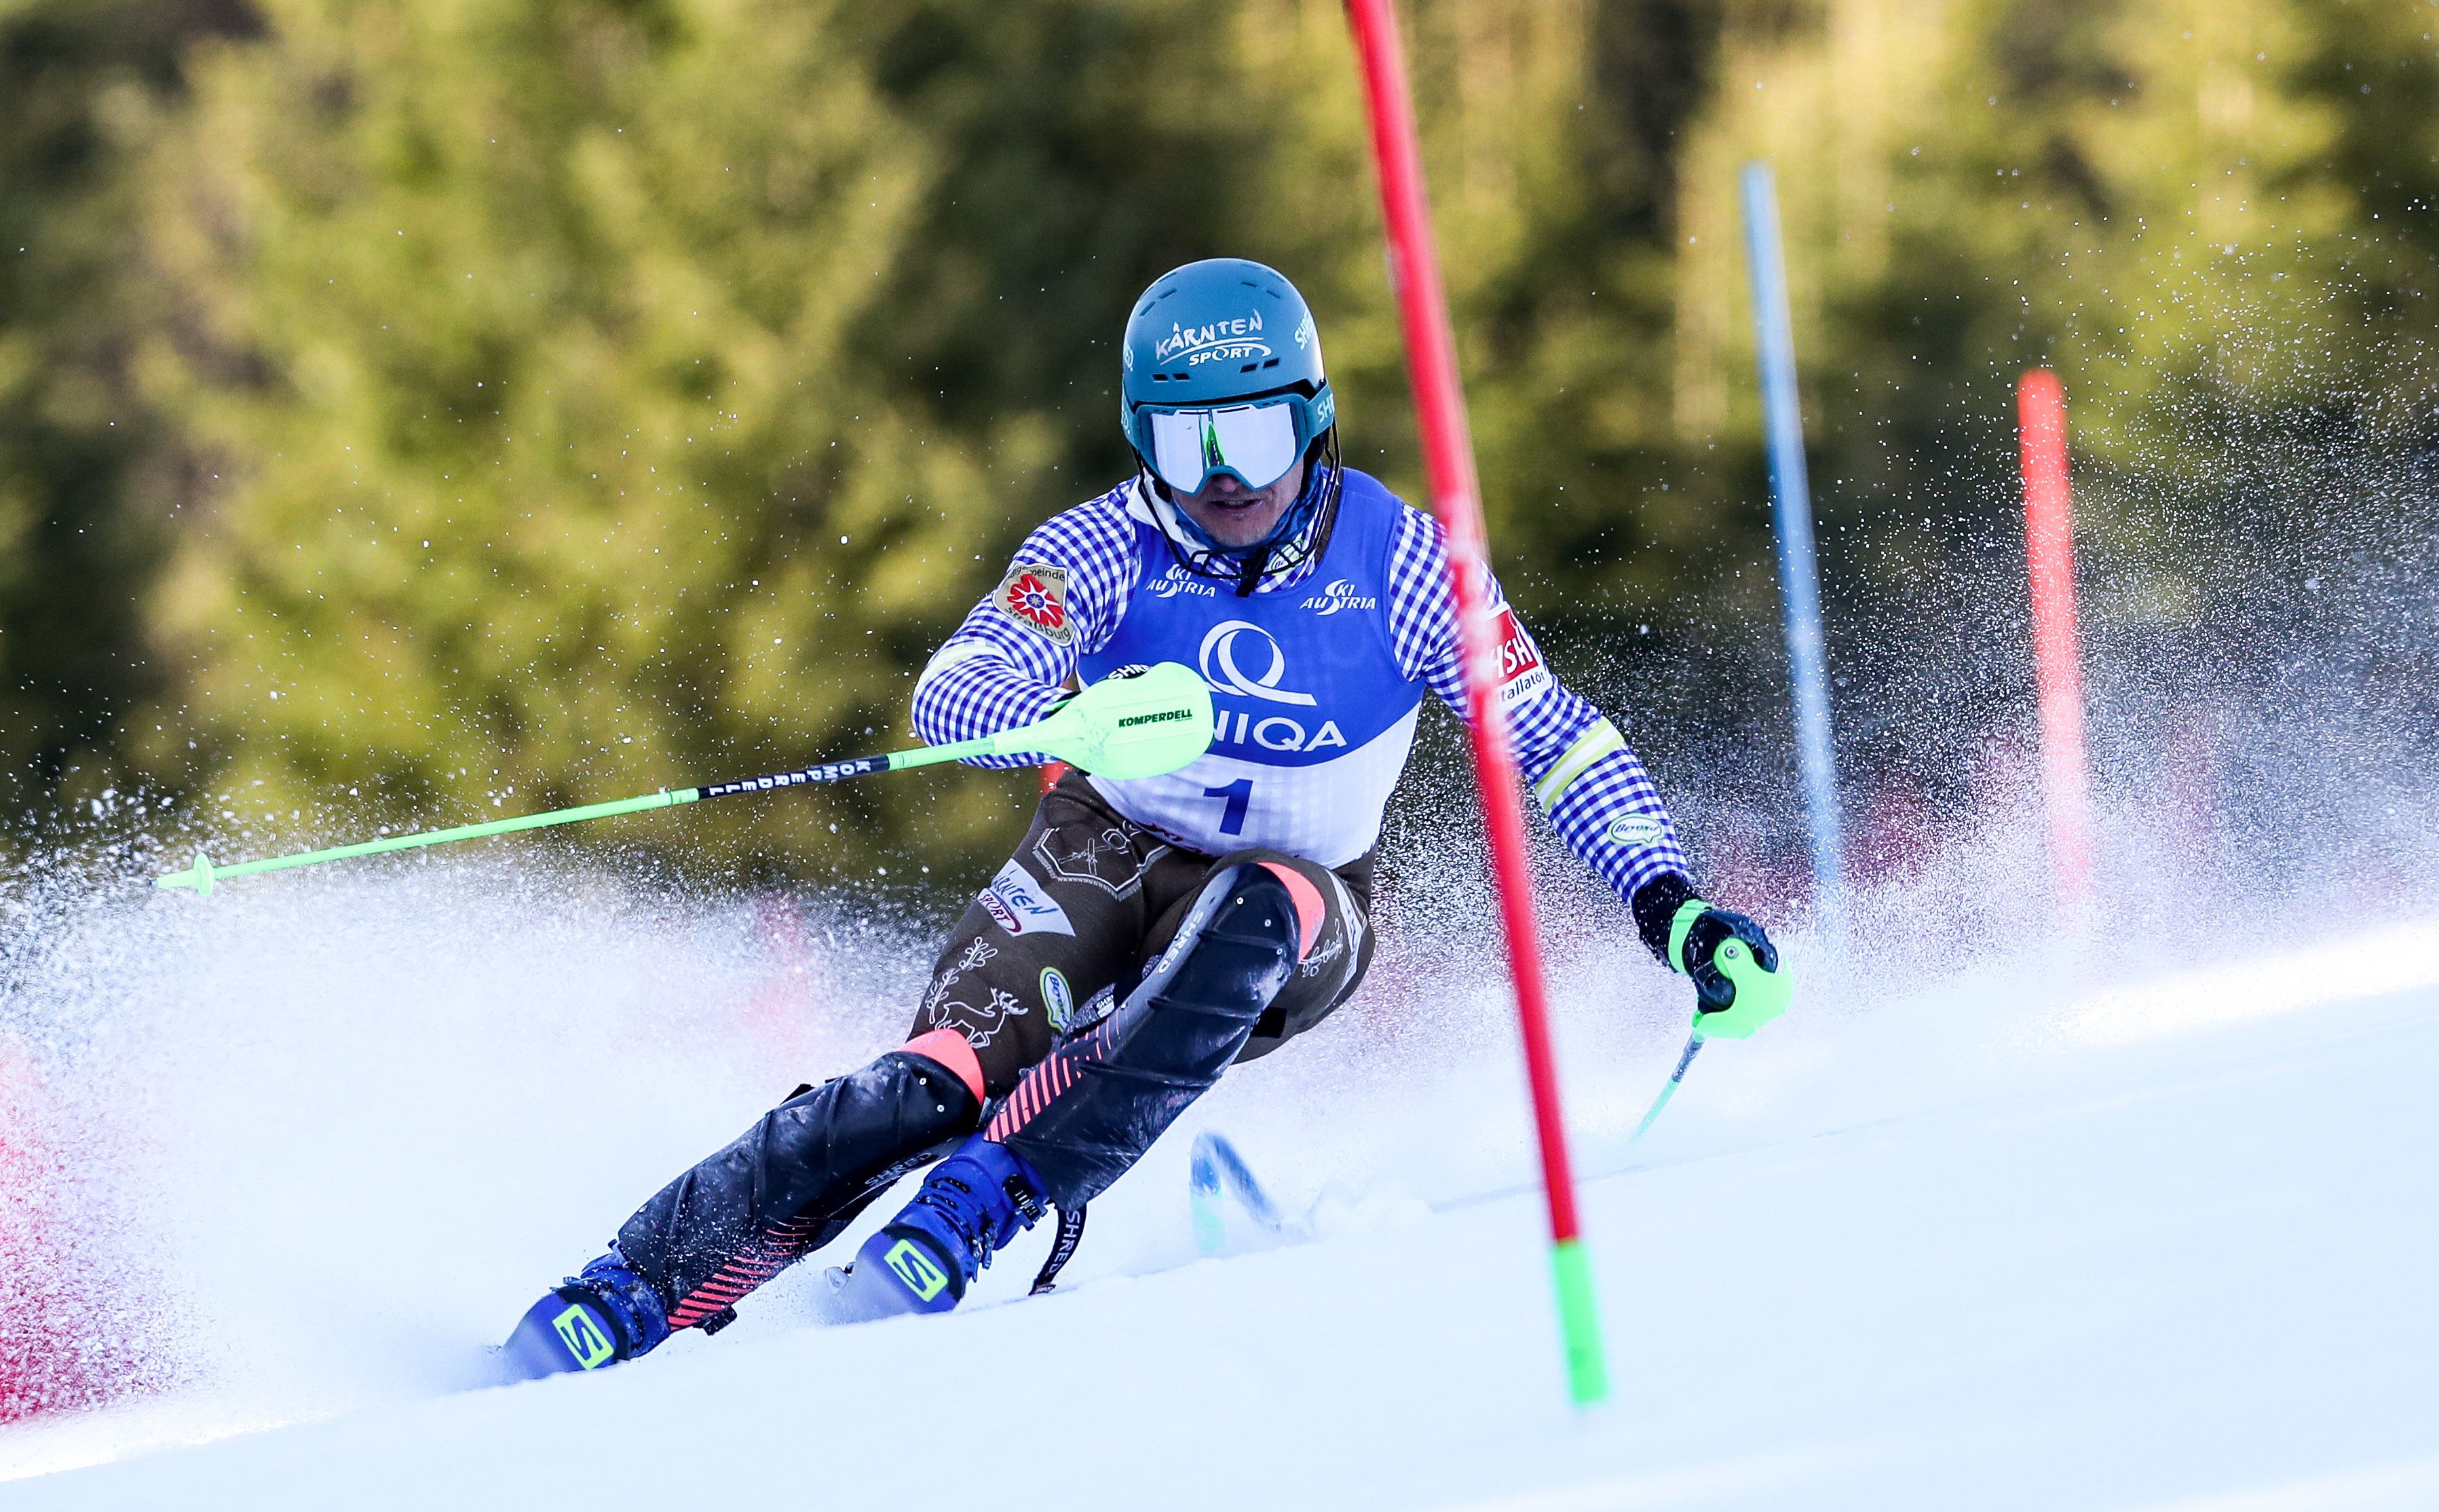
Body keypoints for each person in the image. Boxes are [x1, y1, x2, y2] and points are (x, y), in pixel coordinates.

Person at [502, 258, 1785, 1378]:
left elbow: (1553, 736)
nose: (1224, 479)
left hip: (1304, 900)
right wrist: (1065, 718)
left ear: (1313, 419)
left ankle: (993, 1197)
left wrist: (1669, 905)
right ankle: (633, 1284)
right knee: (935, 1083)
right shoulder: (1103, 547)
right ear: (1139, 442)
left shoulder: (1402, 564)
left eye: (1256, 437)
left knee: (1254, 906)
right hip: (1099, 853)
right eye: (1184, 445)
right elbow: (956, 685)